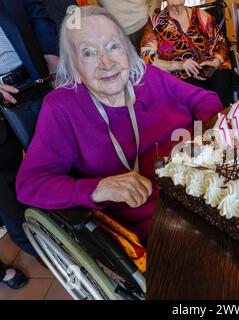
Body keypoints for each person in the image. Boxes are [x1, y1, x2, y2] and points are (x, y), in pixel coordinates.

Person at [15, 6, 223, 244]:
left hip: (206, 183)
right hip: (160, 219)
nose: (107, 63)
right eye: (88, 53)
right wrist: (97, 188)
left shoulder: (147, 75)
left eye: (113, 46)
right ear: (74, 66)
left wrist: (201, 141)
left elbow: (206, 100)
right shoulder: (62, 108)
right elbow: (30, 184)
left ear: (126, 49)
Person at [0, 0, 59, 256]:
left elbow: (35, 8)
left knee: (56, 155)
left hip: (32, 77)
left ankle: (83, 228)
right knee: (5, 182)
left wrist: (51, 54)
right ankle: (39, 250)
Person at [140, 0, 233, 107]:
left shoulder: (202, 16)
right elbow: (146, 57)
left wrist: (215, 61)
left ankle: (223, 121)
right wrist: (179, 65)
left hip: (211, 69)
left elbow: (221, 43)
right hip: (181, 77)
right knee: (195, 95)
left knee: (222, 81)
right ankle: (207, 123)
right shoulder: (155, 23)